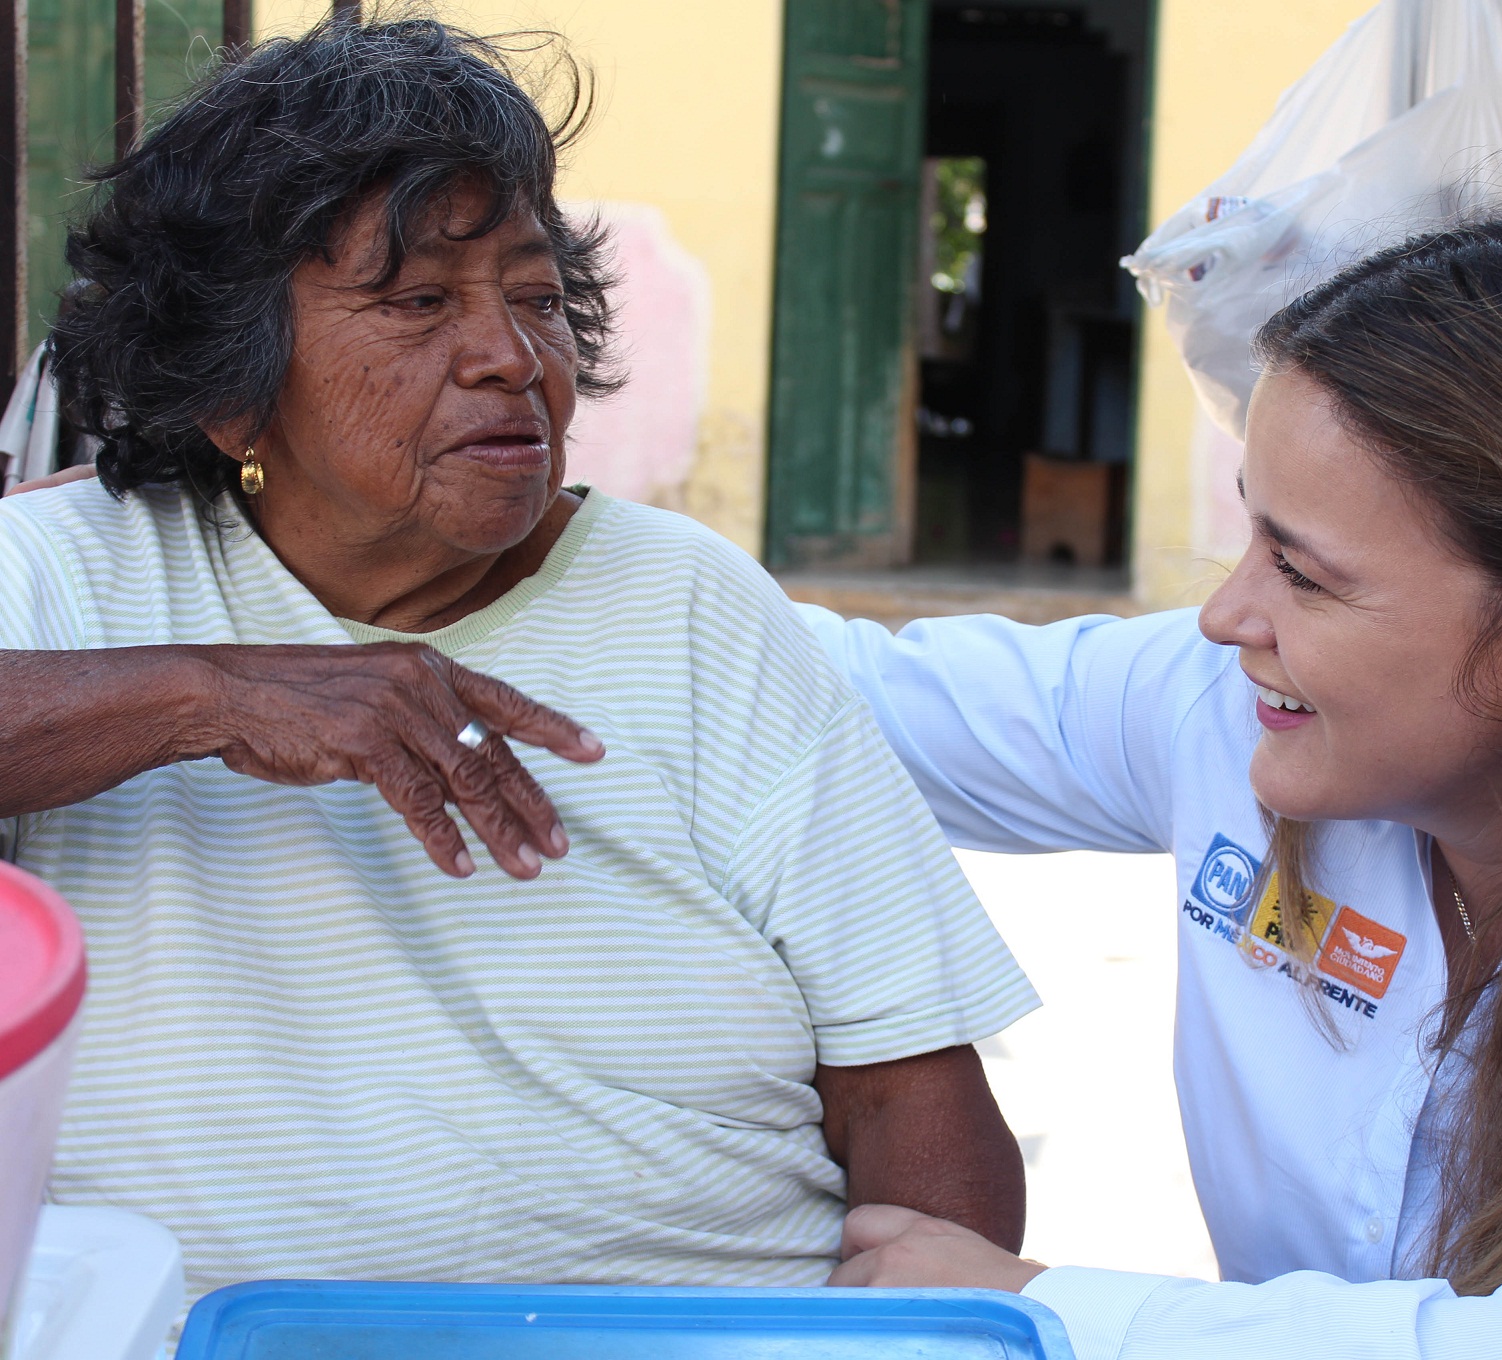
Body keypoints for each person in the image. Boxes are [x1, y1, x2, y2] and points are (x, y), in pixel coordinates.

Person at [0, 17, 1036, 1304]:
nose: (512, 356)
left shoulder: (692, 602)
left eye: (538, 298)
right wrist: (208, 696)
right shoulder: (64, 573)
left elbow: (909, 1094)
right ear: (232, 385)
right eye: (420, 300)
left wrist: (923, 1336)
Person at [805, 221, 1502, 1356]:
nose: (1226, 617)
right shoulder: (1238, 704)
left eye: (1302, 571)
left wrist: (1056, 1310)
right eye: (1250, 536)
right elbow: (813, 698)